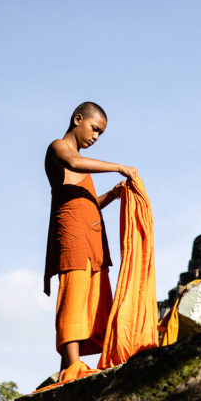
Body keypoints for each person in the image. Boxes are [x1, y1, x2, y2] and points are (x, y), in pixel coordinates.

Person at [43, 102, 138, 373]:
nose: (95, 137)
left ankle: (67, 367)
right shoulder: (59, 148)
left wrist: (114, 193)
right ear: (77, 119)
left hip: (90, 237)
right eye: (95, 129)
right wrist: (119, 167)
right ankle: (73, 365)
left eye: (100, 134)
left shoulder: (82, 164)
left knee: (88, 299)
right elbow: (73, 161)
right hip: (72, 235)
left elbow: (90, 203)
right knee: (72, 295)